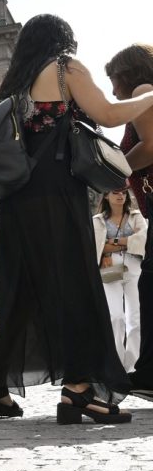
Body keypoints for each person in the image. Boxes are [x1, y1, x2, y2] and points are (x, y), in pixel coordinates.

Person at [0, 14, 153, 424]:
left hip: (16, 199)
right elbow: (107, 114)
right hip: (56, 193)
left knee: (22, 293)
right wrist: (150, 96)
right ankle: (78, 389)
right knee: (73, 285)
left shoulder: (14, 84)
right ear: (63, 41)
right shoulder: (64, 67)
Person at [107, 43, 153, 398]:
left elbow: (151, 145)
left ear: (128, 75)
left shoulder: (143, 91)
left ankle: (149, 373)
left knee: (149, 286)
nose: (113, 92)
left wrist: (114, 169)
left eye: (114, 82)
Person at [93, 187, 146, 372]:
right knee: (116, 316)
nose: (120, 195)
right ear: (106, 196)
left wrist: (112, 243)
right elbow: (97, 247)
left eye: (124, 192)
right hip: (109, 266)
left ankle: (132, 366)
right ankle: (116, 364)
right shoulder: (97, 221)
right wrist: (126, 241)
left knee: (136, 318)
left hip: (134, 265)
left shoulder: (136, 216)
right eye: (115, 192)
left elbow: (143, 238)